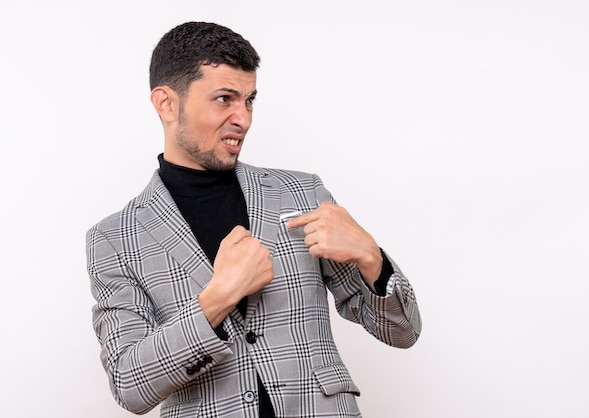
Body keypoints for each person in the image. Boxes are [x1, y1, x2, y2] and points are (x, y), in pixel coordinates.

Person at [86, 21, 421, 418]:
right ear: (166, 103)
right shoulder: (114, 239)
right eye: (224, 99)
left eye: (249, 101)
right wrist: (217, 298)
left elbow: (403, 331)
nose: (242, 118)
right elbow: (130, 385)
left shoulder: (302, 194)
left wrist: (372, 258)